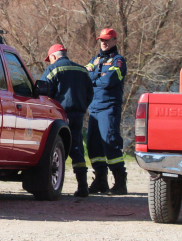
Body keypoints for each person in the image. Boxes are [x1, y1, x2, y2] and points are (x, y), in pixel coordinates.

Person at [41, 44, 94, 197]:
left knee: (56, 148)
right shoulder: (82, 70)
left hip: (59, 116)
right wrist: (82, 107)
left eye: (50, 59)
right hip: (78, 114)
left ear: (54, 57)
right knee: (77, 148)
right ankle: (83, 186)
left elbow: (44, 93)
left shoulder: (52, 70)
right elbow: (90, 93)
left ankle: (53, 185)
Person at [85, 28, 128, 195]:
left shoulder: (119, 61)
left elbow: (109, 81)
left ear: (115, 41)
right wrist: (98, 76)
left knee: (110, 142)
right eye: (102, 40)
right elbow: (84, 75)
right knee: (93, 145)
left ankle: (119, 182)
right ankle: (100, 180)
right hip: (94, 108)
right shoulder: (95, 59)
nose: (104, 43)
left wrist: (93, 77)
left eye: (108, 40)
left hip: (109, 108)